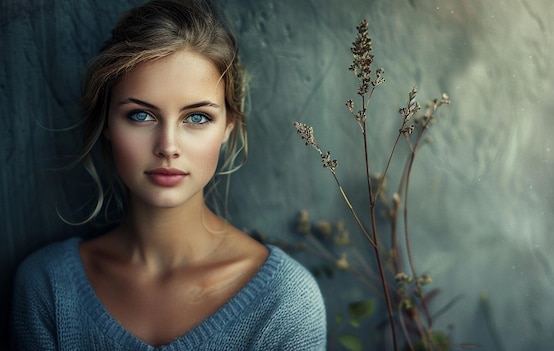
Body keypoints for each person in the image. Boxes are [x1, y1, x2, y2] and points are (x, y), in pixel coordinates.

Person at [11, 0, 326, 349]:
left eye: (197, 117)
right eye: (141, 115)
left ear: (227, 128)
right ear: (107, 125)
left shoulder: (284, 301)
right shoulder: (49, 287)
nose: (168, 146)